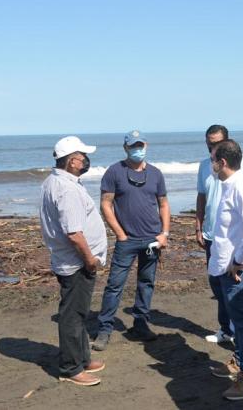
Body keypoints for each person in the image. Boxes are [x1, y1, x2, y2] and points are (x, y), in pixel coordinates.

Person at [92, 130, 170, 351]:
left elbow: (163, 204)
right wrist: (120, 234)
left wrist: (164, 233)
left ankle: (140, 324)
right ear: (126, 148)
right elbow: (105, 204)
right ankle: (105, 328)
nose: (137, 149)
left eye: (140, 145)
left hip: (152, 239)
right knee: (114, 285)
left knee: (146, 283)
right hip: (127, 241)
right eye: (133, 146)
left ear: (146, 145)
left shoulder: (155, 174)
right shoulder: (114, 172)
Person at [39, 136, 108, 386]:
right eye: (83, 157)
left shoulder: (57, 182)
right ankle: (70, 368)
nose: (86, 161)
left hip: (72, 259)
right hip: (76, 262)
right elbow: (74, 234)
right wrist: (89, 260)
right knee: (73, 315)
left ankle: (82, 358)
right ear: (71, 162)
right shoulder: (66, 188)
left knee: (79, 312)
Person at [205, 139, 243, 401]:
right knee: (238, 322)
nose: (211, 164)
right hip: (227, 268)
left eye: (212, 160)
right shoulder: (228, 185)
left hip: (240, 270)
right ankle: (239, 362)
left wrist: (239, 260)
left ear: (223, 162)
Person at [196, 124, 243, 344]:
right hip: (213, 234)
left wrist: (242, 255)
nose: (211, 148)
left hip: (235, 239)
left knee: (236, 289)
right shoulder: (205, 165)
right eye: (208, 144)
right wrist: (198, 226)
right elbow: (202, 196)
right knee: (218, 284)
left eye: (215, 144)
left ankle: (238, 336)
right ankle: (226, 329)